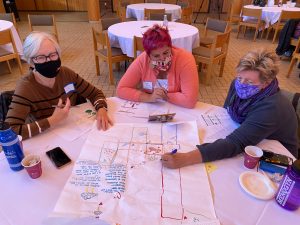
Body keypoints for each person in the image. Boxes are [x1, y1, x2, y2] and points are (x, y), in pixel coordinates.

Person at [161, 49, 299, 169]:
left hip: (277, 154)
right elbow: (227, 111)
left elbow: (237, 143)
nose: (241, 85)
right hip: (252, 134)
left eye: (250, 82)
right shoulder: (237, 84)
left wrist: (186, 158)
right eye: (239, 77)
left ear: (266, 83)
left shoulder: (272, 107)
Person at [5, 31, 112, 140]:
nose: (49, 61)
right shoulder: (26, 87)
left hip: (75, 129)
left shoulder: (66, 74)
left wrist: (101, 109)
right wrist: (53, 120)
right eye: (41, 57)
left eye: (53, 55)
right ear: (31, 61)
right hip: (46, 136)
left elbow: (95, 93)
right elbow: (10, 131)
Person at [116, 24, 199, 109]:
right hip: (151, 108)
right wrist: (148, 97)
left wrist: (162, 96)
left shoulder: (185, 59)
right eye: (156, 56)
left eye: (166, 53)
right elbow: (121, 89)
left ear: (171, 47)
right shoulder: (143, 60)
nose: (162, 58)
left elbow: (190, 101)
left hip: (179, 108)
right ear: (148, 55)